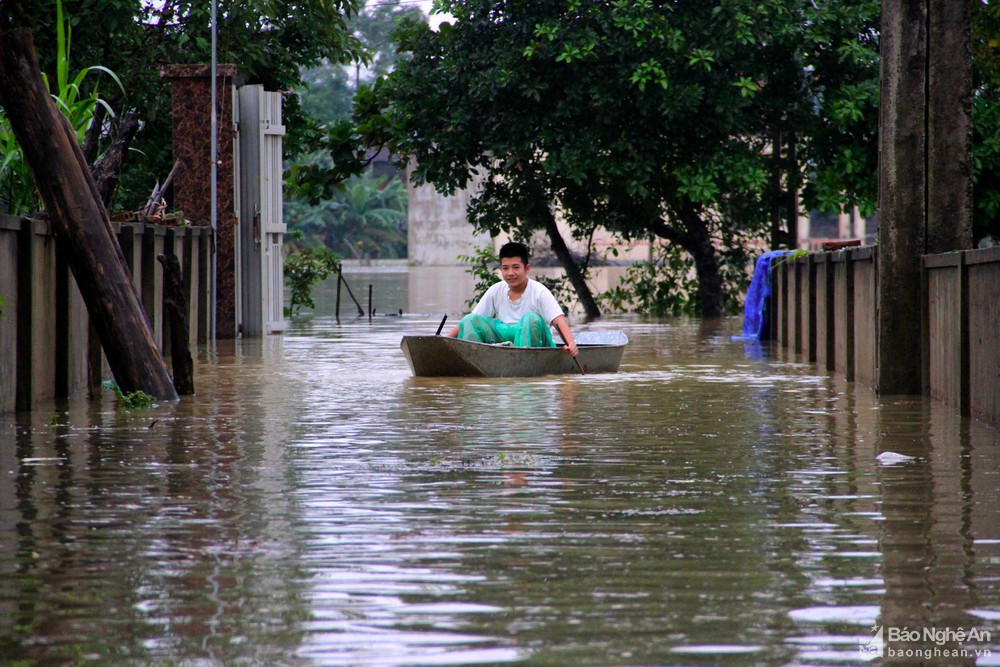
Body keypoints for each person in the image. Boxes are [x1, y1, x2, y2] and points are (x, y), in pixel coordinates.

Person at [446, 242, 579, 357]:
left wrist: (571, 344)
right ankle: (476, 360)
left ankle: (524, 364)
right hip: (505, 339)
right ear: (500, 270)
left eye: (516, 267)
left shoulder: (540, 292)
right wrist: (444, 342)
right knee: (469, 319)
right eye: (505, 268)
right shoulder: (496, 290)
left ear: (527, 268)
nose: (510, 273)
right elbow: (469, 322)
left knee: (530, 319)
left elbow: (558, 321)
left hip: (535, 342)